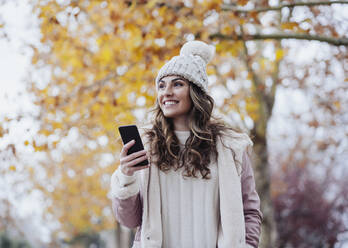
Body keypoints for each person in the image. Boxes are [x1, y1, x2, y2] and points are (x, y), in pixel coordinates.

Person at [110, 40, 262, 248]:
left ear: (196, 92)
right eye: (162, 85)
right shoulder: (146, 146)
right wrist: (126, 177)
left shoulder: (229, 148)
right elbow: (130, 221)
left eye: (178, 84)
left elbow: (249, 211)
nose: (166, 92)